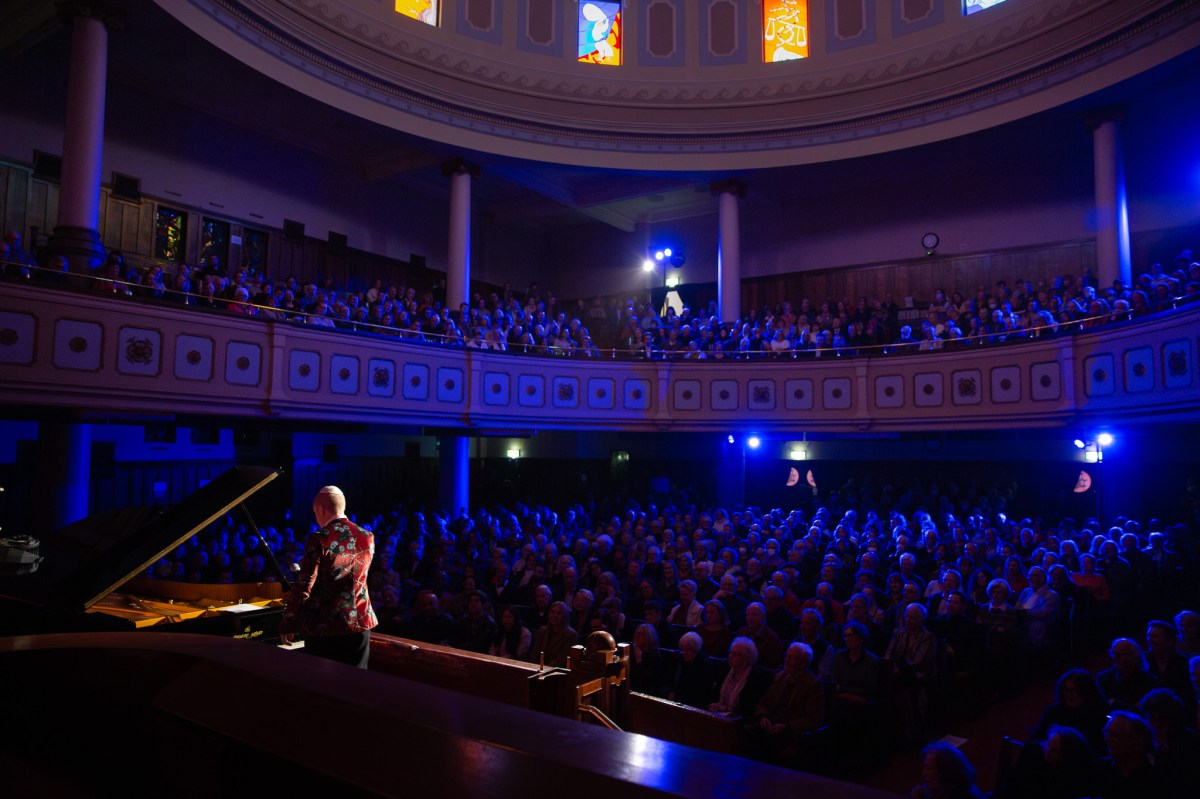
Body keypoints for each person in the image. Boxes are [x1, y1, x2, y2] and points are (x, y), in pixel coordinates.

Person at [279, 486, 378, 668]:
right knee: (355, 685)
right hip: (360, 622)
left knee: (323, 688)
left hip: (325, 627)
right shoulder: (367, 536)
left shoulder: (319, 538)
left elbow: (304, 584)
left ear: (321, 510)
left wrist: (289, 621)